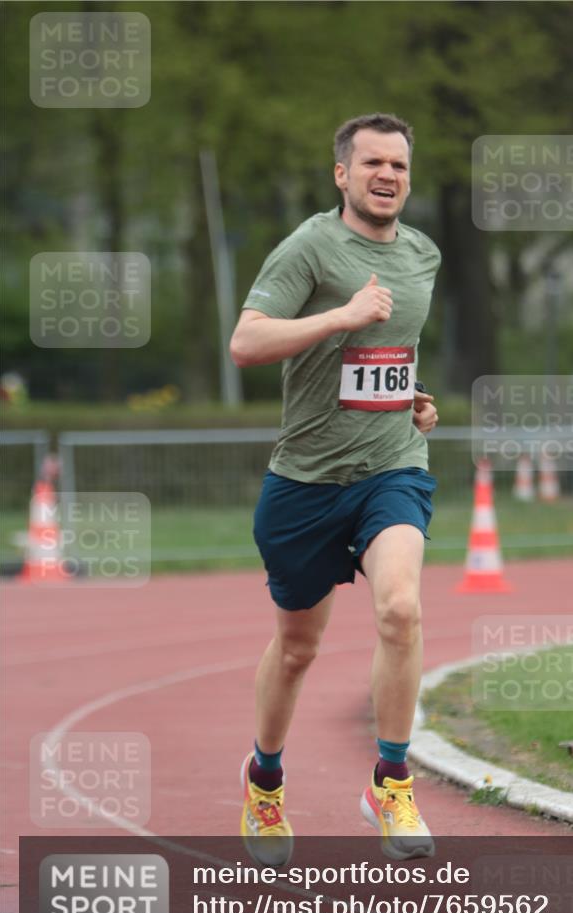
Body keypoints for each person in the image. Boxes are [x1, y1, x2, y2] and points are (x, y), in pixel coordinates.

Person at [230, 112, 441, 865]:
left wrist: (414, 397)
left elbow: (388, 353)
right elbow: (246, 341)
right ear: (342, 174)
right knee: (297, 648)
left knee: (401, 608)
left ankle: (391, 781)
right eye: (373, 163)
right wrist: (338, 316)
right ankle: (264, 783)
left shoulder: (422, 253)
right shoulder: (310, 247)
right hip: (306, 482)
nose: (387, 175)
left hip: (392, 467)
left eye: (399, 165)